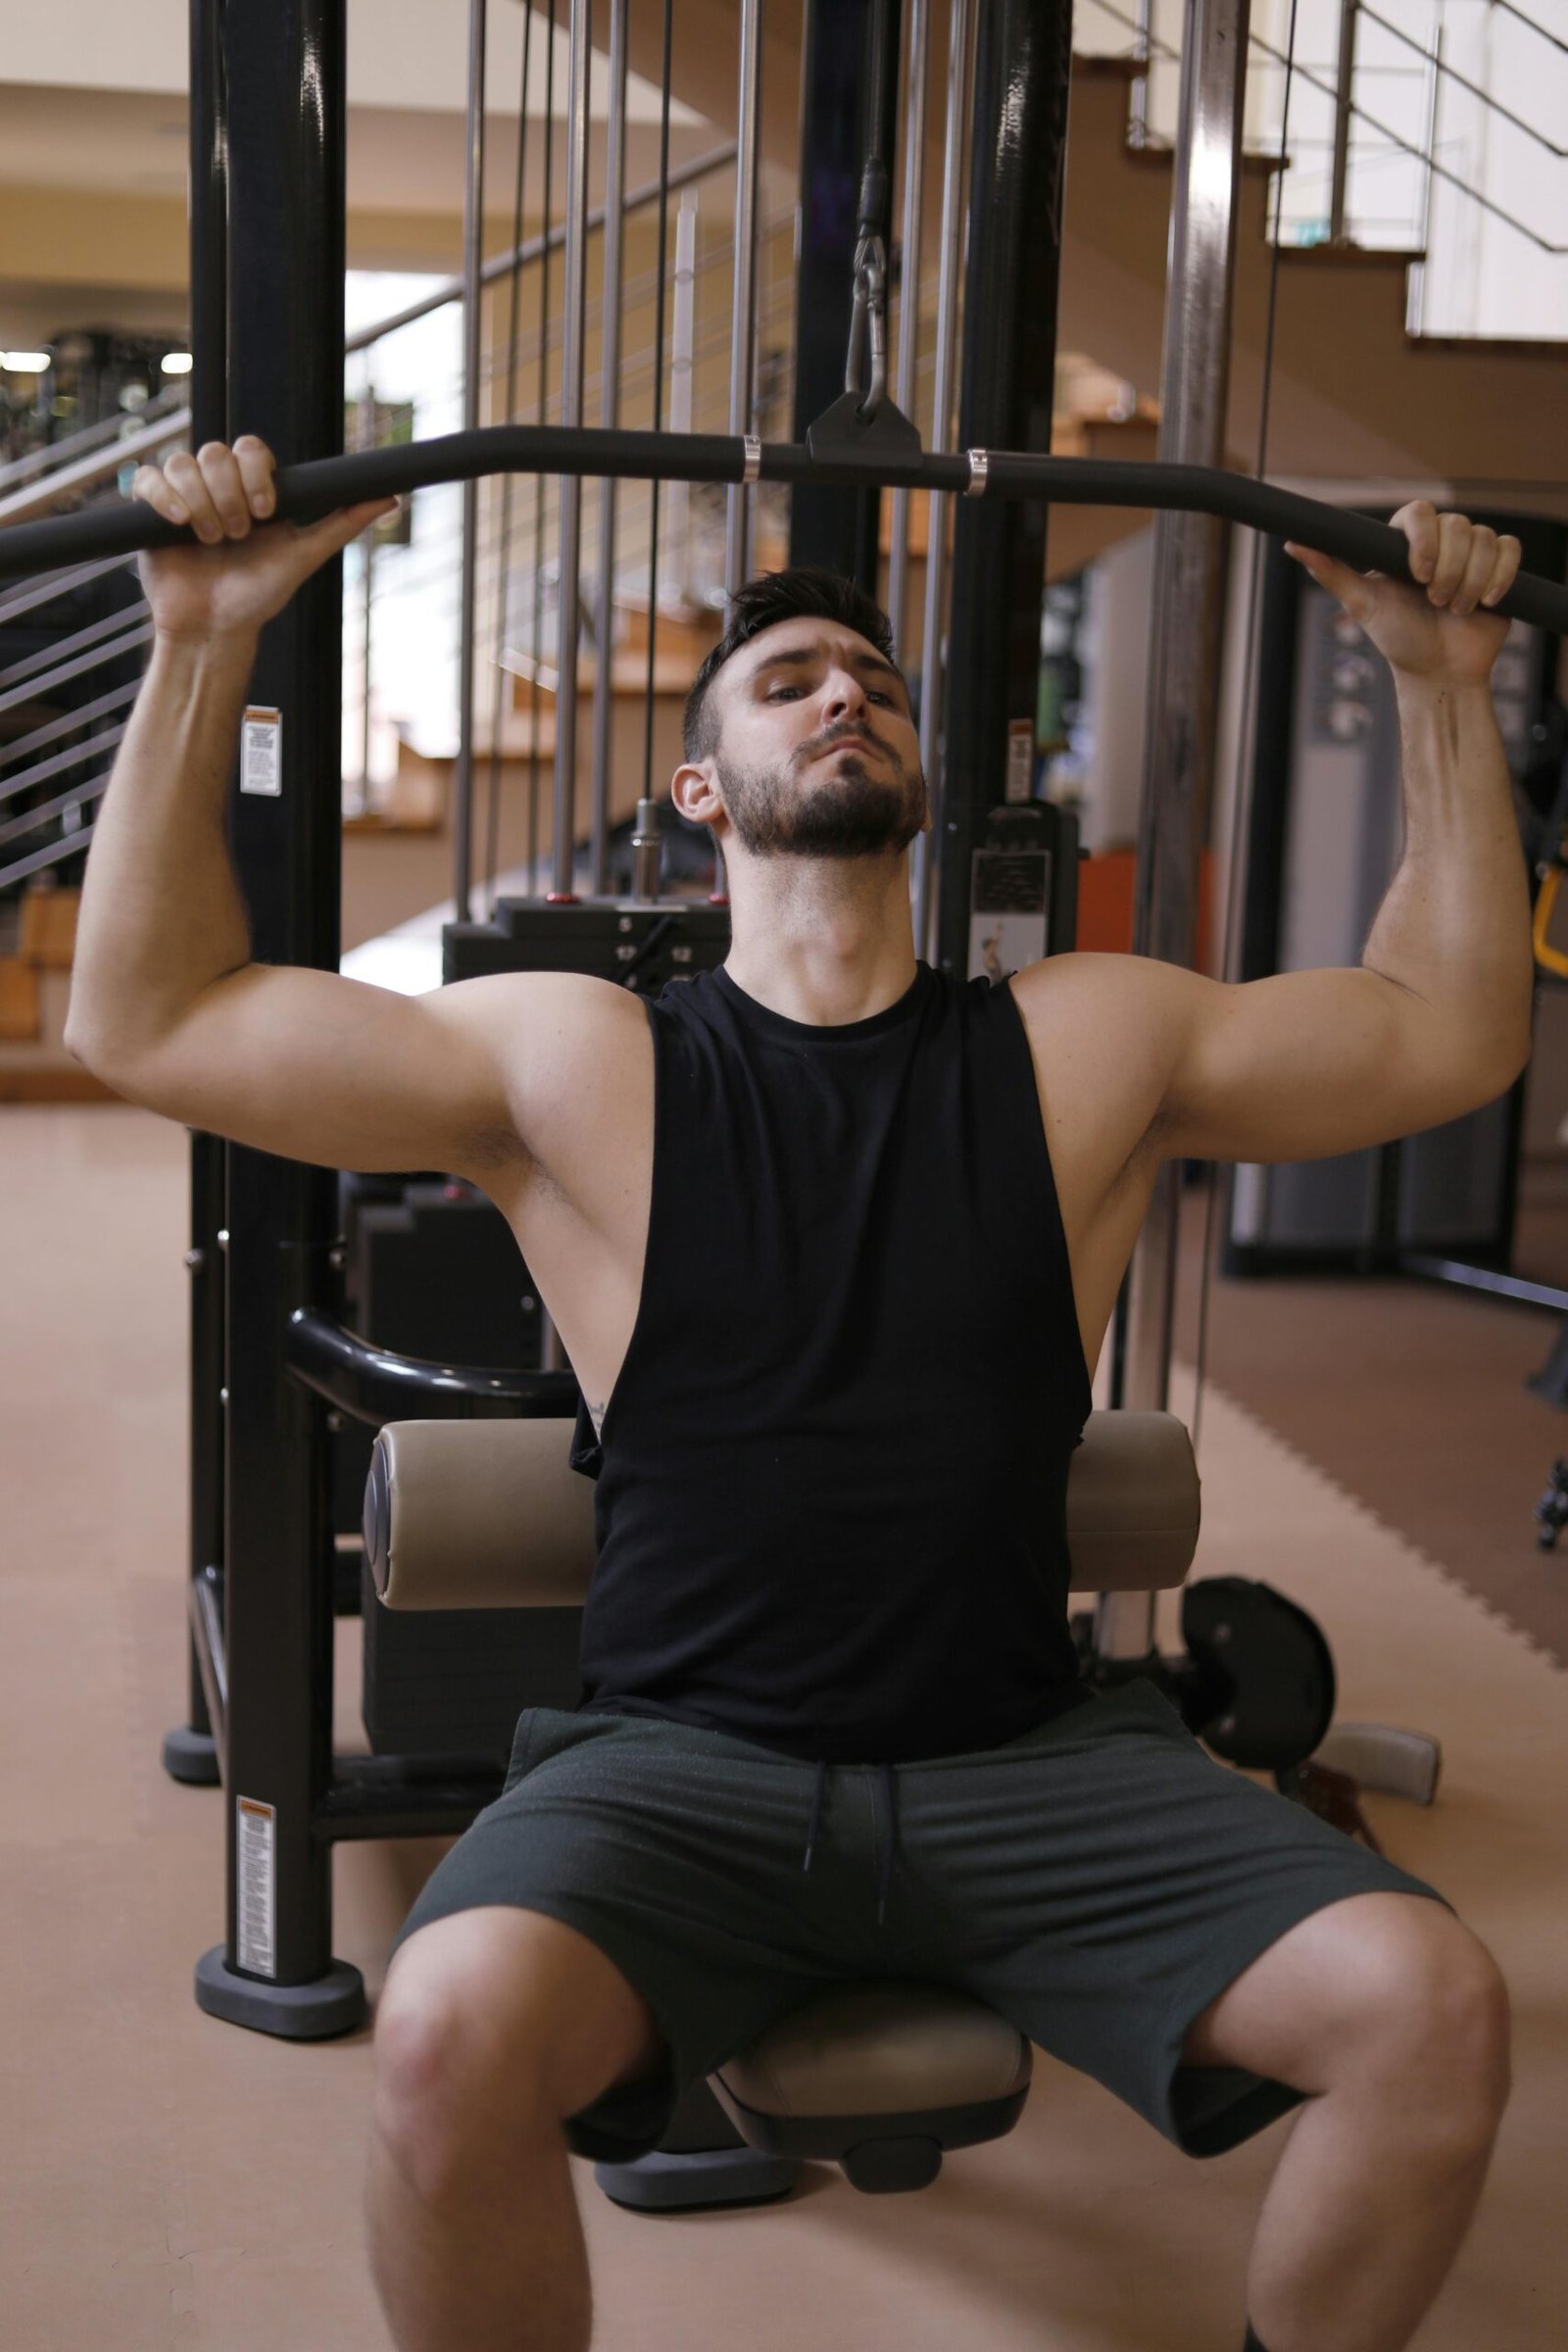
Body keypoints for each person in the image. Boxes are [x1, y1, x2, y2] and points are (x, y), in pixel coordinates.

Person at [67, 437, 1530, 2352]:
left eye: (876, 682)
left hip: (1030, 1764)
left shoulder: (1083, 1041)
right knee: (434, 2035)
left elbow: (1445, 1027)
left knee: (1432, 2010)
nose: (846, 689)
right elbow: (145, 1018)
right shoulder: (578, 1064)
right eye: (787, 683)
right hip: (684, 1773)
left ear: (916, 774)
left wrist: (1436, 684)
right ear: (699, 793)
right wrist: (200, 648)